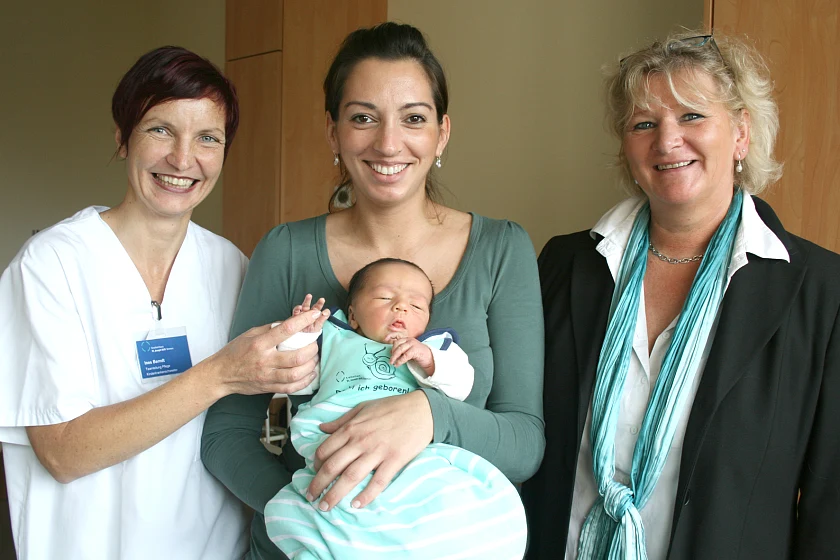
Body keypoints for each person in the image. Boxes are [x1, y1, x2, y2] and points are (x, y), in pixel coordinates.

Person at [201, 22, 545, 559]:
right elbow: (228, 434)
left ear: (442, 133)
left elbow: (524, 442)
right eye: (363, 118)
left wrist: (429, 415)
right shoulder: (286, 252)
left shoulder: (501, 250)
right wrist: (329, 525)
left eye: (413, 118)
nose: (388, 143)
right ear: (333, 133)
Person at [522, 30, 840, 559]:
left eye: (692, 116)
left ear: (741, 132)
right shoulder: (566, 264)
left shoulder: (821, 292)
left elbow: (831, 503)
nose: (667, 142)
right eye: (644, 124)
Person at [0, 46, 327, 559]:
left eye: (207, 138)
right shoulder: (51, 266)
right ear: (122, 136)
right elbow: (62, 452)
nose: (182, 158)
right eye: (160, 130)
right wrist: (220, 373)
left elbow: (255, 427)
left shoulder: (232, 266)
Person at [266, 258, 527, 559]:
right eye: (384, 298)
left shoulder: (435, 347)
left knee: (449, 497)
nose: (401, 307)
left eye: (416, 306)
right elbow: (294, 383)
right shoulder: (334, 338)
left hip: (413, 454)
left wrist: (428, 359)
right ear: (352, 315)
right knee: (326, 506)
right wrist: (299, 337)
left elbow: (462, 385)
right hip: (336, 439)